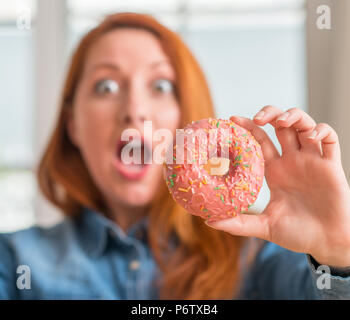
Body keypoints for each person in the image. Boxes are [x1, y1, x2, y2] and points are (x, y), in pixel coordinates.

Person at [1, 12, 350, 300]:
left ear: (187, 119)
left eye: (161, 86)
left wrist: (338, 254)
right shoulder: (17, 262)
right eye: (106, 86)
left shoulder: (261, 257)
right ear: (73, 124)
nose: (135, 110)